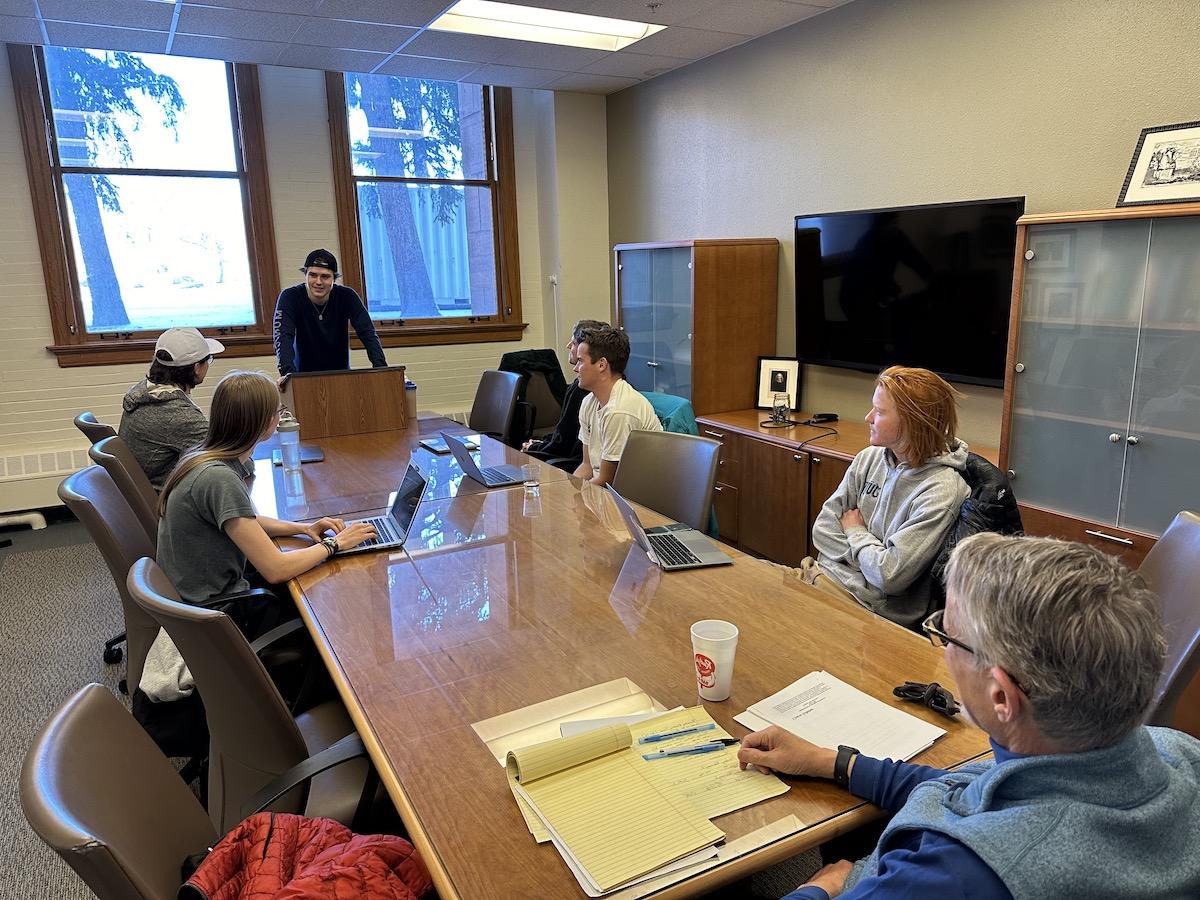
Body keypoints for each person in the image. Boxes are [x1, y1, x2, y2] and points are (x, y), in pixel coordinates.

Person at [739, 532, 1200, 899]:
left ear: (1002, 697)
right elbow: (968, 787)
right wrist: (831, 761)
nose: (942, 650)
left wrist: (819, 888)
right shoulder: (1172, 750)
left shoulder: (954, 876)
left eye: (948, 635)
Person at [806, 365, 969, 628]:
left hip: (864, 608)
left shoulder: (942, 490)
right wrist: (869, 560)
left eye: (880, 412)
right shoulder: (869, 458)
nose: (868, 417)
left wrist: (856, 532)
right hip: (819, 575)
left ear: (913, 422)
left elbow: (889, 576)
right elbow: (822, 530)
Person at [119, 327, 224, 490]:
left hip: (147, 491)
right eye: (208, 360)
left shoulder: (145, 393)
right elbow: (227, 461)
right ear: (197, 368)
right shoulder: (178, 415)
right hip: (169, 501)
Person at [272, 249, 388, 387]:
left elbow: (368, 332)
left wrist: (382, 369)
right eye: (313, 275)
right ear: (305, 275)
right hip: (302, 378)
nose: (318, 282)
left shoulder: (347, 296)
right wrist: (287, 374)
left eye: (325, 277)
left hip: (341, 376)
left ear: (334, 278)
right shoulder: (290, 297)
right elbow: (282, 336)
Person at [572, 326, 662, 487]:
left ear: (601, 365)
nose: (575, 368)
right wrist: (568, 491)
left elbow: (607, 481)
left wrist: (577, 498)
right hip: (605, 492)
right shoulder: (589, 402)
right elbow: (587, 466)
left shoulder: (619, 411)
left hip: (634, 497)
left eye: (580, 361)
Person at [522, 318, 608, 468]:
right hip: (582, 461)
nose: (568, 346)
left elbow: (563, 443)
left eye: (573, 342)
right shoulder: (584, 391)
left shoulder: (583, 390)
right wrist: (543, 443)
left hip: (576, 462)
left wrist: (535, 448)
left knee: (524, 460)